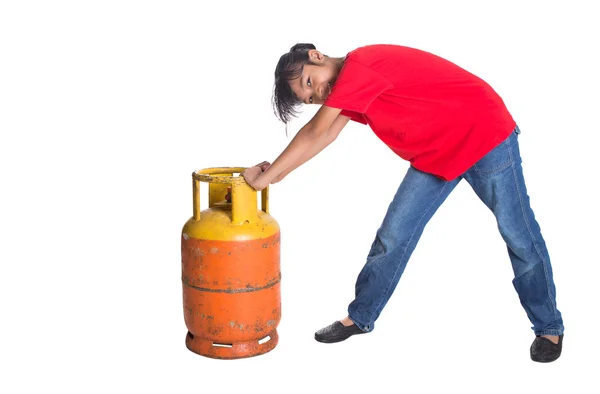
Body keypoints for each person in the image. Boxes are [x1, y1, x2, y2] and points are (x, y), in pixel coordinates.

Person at [241, 43, 564, 362]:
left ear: (317, 56)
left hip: (483, 134)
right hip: (438, 154)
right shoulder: (348, 90)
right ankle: (361, 316)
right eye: (310, 98)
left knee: (517, 233)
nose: (319, 94)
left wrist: (268, 178)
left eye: (310, 82)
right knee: (393, 235)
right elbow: (325, 135)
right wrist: (277, 175)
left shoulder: (359, 67)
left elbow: (316, 131)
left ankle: (549, 326)